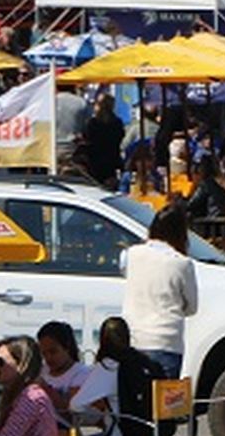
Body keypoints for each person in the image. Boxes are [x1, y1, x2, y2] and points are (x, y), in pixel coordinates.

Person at [120, 200, 198, 379]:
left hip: (134, 338)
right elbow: (192, 307)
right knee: (165, 405)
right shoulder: (182, 263)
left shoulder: (131, 254)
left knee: (134, 403)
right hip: (167, 342)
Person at [36, 319, 90, 415]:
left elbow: (70, 410)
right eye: (44, 353)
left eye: (53, 352)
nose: (48, 358)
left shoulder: (81, 373)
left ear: (66, 348)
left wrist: (44, 388)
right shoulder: (42, 371)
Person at [85, 92, 126, 188]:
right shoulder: (117, 122)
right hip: (112, 158)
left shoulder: (93, 123)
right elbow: (120, 137)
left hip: (95, 160)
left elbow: (88, 138)